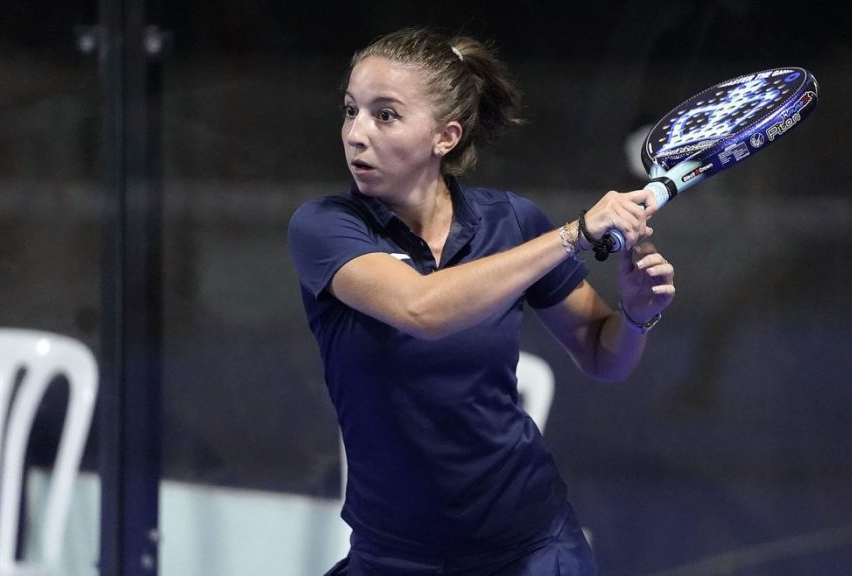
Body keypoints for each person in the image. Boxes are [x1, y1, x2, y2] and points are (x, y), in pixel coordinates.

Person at [288, 27, 675, 576]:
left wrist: (636, 316)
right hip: (396, 556)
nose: (356, 133)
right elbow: (421, 309)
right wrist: (574, 234)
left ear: (444, 137)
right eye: (351, 110)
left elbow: (599, 352)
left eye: (386, 115)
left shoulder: (513, 222)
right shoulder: (325, 228)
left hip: (531, 545)